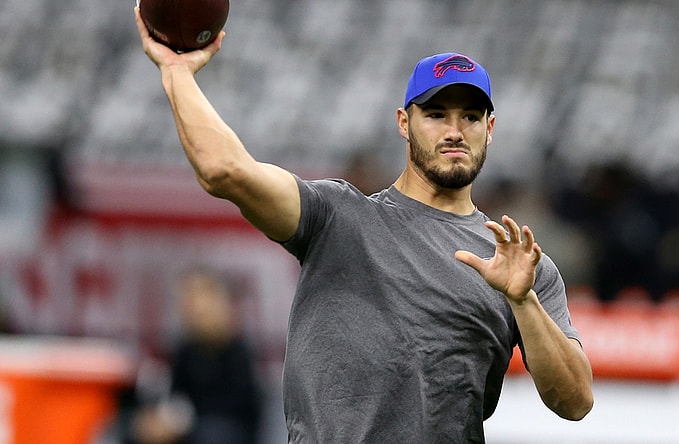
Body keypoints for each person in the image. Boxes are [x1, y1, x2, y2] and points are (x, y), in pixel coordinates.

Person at [134, 9, 593, 443]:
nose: (455, 130)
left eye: (470, 117)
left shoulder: (520, 267)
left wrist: (523, 301)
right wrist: (176, 73)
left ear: (489, 129)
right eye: (436, 114)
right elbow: (224, 171)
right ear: (403, 123)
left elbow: (575, 402)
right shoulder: (337, 216)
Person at [123, 268, 263, 444]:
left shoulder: (239, 354)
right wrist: (160, 421)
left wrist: (182, 423)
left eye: (201, 297)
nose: (194, 307)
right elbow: (176, 398)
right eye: (187, 300)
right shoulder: (185, 352)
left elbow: (237, 409)